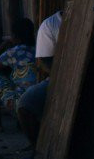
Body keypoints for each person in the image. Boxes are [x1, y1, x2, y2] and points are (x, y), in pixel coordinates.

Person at [0, 17, 38, 133]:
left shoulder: (15, 51)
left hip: (23, 104)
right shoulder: (37, 49)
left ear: (15, 36)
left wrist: (3, 45)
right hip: (39, 101)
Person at [17, 10, 62, 150]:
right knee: (25, 104)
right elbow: (44, 60)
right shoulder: (51, 24)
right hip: (60, 78)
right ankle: (38, 148)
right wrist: (64, 78)